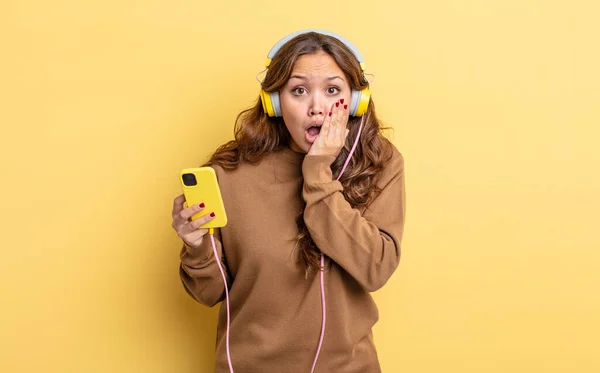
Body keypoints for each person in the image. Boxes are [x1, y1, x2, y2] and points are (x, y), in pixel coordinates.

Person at [171, 29, 406, 373]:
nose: (317, 106)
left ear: (356, 100)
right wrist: (195, 246)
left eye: (332, 90)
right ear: (275, 103)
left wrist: (317, 173)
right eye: (299, 91)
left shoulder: (378, 162)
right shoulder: (230, 174)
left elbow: (376, 268)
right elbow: (209, 293)